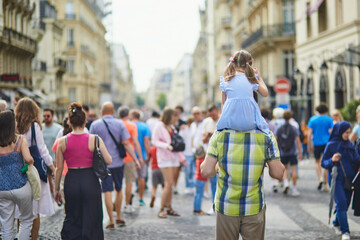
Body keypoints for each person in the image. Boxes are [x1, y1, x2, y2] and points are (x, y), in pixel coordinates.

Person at [201, 128, 284, 240]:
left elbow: (206, 171)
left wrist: (217, 168)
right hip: (253, 205)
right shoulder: (266, 136)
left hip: (226, 205)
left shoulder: (219, 135)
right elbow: (278, 174)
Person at [54, 103, 112, 239]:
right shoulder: (95, 139)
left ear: (69, 122)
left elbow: (59, 168)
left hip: (72, 180)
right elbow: (109, 160)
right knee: (93, 216)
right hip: (90, 180)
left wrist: (56, 189)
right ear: (85, 121)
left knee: (73, 216)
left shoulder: (62, 142)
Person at [90, 102, 138, 229]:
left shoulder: (95, 125)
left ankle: (110, 219)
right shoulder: (119, 124)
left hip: (103, 164)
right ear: (113, 112)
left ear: (102, 111)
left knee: (106, 191)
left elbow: (90, 145)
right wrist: (135, 159)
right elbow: (126, 143)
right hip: (117, 163)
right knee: (118, 189)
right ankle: (118, 217)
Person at [15, 98, 55, 240]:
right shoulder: (34, 127)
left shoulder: (14, 126)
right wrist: (52, 167)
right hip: (33, 170)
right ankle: (34, 238)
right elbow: (42, 150)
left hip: (17, 170)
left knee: (20, 211)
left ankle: (22, 237)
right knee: (34, 210)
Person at [321, 121, 360, 240]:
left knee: (345, 204)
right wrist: (332, 159)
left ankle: (336, 223)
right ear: (340, 131)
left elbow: (356, 159)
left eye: (349, 132)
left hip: (349, 179)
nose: (347, 135)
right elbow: (324, 163)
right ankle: (346, 232)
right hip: (336, 179)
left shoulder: (350, 144)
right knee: (342, 202)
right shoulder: (331, 145)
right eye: (345, 132)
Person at [216, 49, 269, 134]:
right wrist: (259, 77)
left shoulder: (226, 80)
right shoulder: (251, 79)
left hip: (230, 122)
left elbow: (223, 103)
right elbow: (265, 93)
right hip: (249, 122)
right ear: (249, 63)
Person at [0, 110, 34, 240]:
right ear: (11, 124)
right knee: (26, 220)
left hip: (2, 188)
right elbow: (28, 159)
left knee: (6, 226)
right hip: (21, 186)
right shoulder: (20, 139)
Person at [152, 107, 186, 218]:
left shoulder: (172, 127)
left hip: (174, 158)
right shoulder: (159, 126)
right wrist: (165, 146)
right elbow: (154, 141)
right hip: (164, 159)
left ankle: (169, 208)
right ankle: (161, 209)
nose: (175, 118)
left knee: (171, 185)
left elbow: (176, 144)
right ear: (169, 116)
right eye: (174, 116)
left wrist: (182, 158)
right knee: (168, 184)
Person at [118, 106, 143, 213]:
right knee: (129, 183)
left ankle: (117, 205)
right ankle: (127, 205)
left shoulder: (116, 124)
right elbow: (135, 142)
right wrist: (139, 157)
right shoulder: (132, 125)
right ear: (128, 115)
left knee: (117, 184)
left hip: (117, 158)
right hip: (129, 157)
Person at [275, 111, 303, 196]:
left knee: (285, 168)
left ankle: (286, 183)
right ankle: (294, 189)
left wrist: (276, 151)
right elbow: (298, 140)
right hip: (292, 151)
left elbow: (275, 139)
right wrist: (300, 152)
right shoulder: (294, 127)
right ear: (290, 117)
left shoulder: (279, 127)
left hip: (283, 152)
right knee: (294, 170)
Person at [308, 103, 334, 191]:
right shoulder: (329, 119)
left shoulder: (312, 119)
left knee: (317, 161)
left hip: (316, 143)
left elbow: (309, 134)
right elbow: (331, 132)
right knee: (326, 161)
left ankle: (320, 178)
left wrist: (309, 145)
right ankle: (326, 182)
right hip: (327, 143)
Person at [129, 109, 151, 206]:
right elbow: (147, 142)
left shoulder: (128, 125)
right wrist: (148, 154)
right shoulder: (144, 126)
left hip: (129, 156)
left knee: (129, 180)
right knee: (141, 177)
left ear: (133, 115)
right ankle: (141, 199)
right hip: (142, 156)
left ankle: (128, 199)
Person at [202, 104, 220, 215]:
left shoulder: (223, 119)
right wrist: (208, 136)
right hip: (210, 154)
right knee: (213, 181)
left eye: (214, 114)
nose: (213, 116)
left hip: (221, 154)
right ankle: (214, 204)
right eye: (211, 115)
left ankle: (221, 204)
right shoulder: (207, 122)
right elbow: (203, 140)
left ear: (217, 111)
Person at [42, 108, 62, 195]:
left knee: (57, 181)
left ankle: (57, 196)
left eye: (48, 116)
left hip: (55, 160)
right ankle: (52, 198)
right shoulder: (40, 127)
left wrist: (57, 160)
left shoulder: (59, 128)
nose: (46, 118)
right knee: (47, 183)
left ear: (53, 117)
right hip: (43, 160)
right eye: (44, 116)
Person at [180, 117, 195, 194]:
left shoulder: (194, 128)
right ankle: (187, 186)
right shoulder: (184, 129)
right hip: (186, 153)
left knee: (192, 170)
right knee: (187, 171)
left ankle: (191, 185)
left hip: (193, 152)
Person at [193, 148, 207, 215]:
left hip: (196, 179)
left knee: (196, 194)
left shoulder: (197, 160)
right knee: (199, 195)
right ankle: (198, 209)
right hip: (201, 180)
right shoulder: (203, 160)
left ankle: (195, 208)